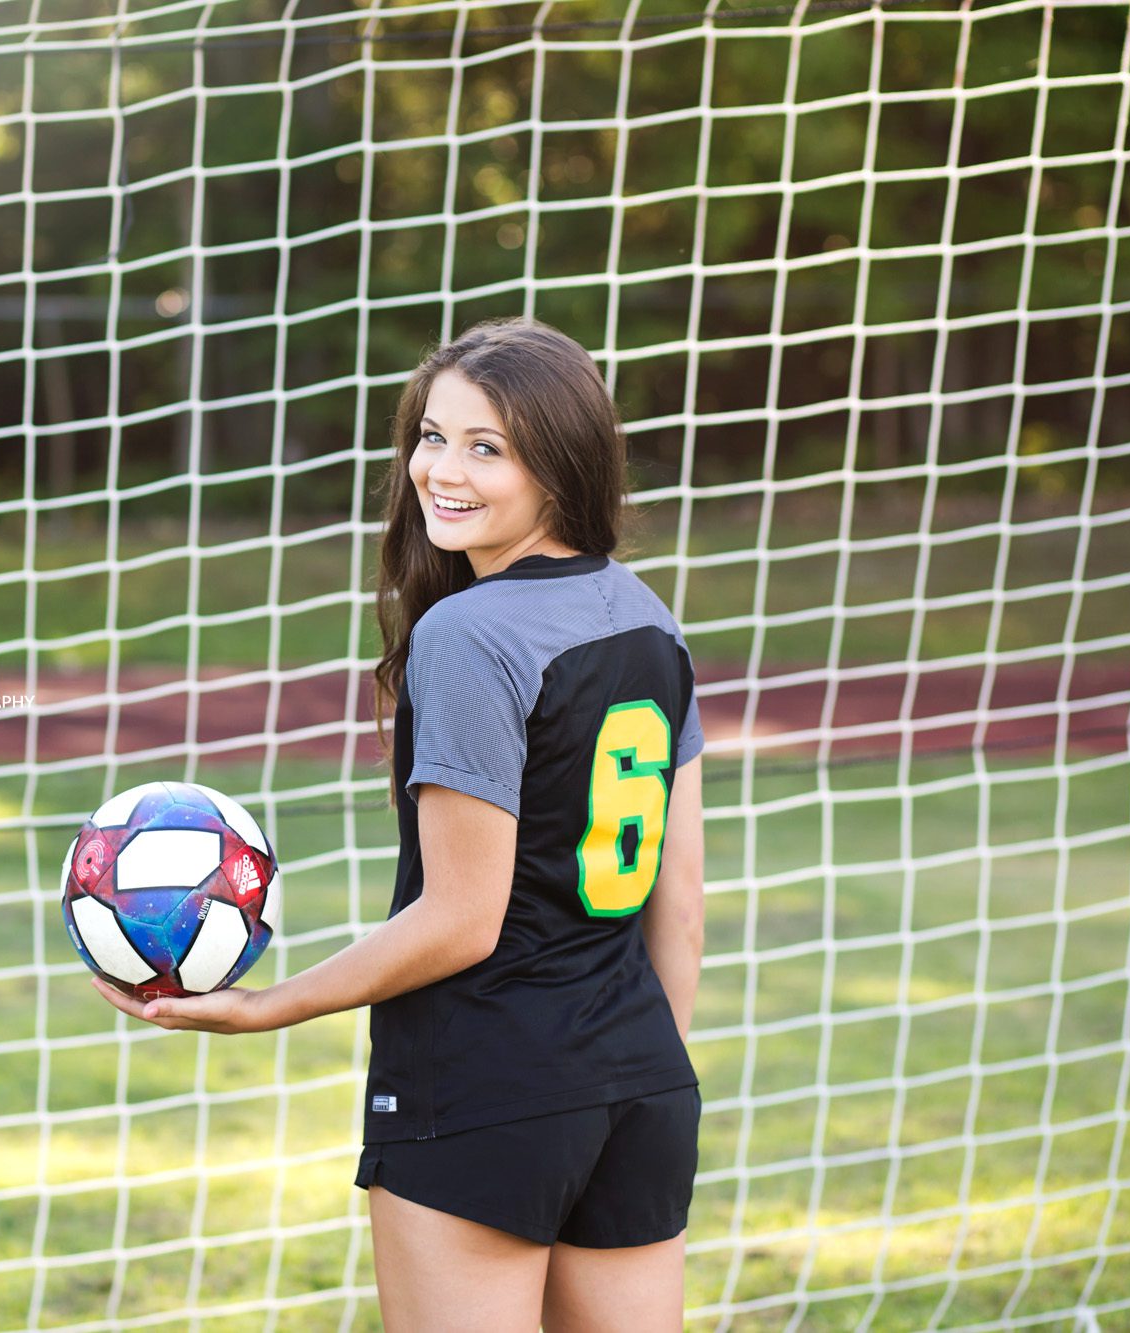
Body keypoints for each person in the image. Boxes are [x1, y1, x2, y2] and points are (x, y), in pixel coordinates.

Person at [90, 315, 706, 1331]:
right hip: (639, 1081)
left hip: (484, 1082)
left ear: (560, 460)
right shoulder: (645, 613)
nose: (440, 470)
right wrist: (631, 1077)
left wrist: (265, 1006)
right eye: (430, 434)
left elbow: (462, 920)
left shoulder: (467, 635)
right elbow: (675, 904)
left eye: (485, 446)